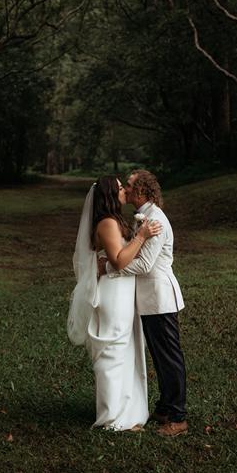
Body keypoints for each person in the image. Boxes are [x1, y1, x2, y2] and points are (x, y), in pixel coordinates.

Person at [65, 175, 162, 431]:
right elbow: (119, 261)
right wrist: (140, 237)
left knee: (125, 350)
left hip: (122, 290)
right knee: (113, 352)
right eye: (120, 188)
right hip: (113, 294)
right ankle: (111, 418)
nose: (124, 192)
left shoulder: (113, 220)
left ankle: (127, 413)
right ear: (109, 194)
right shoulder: (107, 222)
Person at [122, 169, 189, 437]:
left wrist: (112, 267)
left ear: (141, 190)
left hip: (160, 298)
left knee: (169, 358)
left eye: (129, 185)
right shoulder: (145, 217)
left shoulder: (155, 219)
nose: (125, 188)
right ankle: (163, 407)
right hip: (150, 300)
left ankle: (177, 417)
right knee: (160, 358)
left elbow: (145, 264)